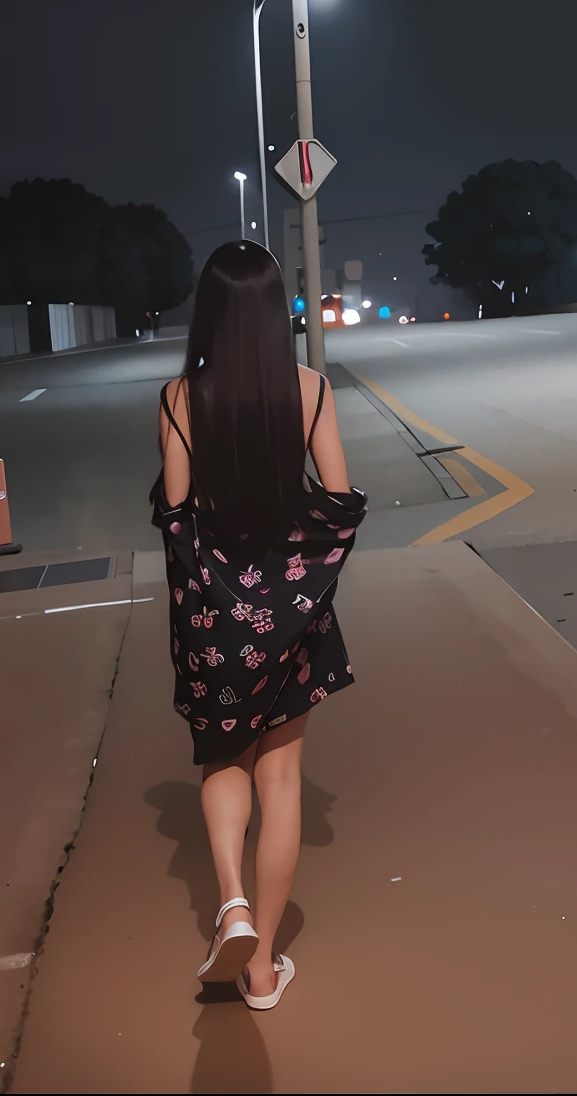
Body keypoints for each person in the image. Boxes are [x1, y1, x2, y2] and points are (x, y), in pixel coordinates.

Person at [152, 240, 366, 1010]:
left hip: (214, 617)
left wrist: (212, 595)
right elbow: (339, 502)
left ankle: (232, 901)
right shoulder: (310, 389)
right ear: (278, 311)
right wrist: (291, 581)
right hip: (292, 617)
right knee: (282, 778)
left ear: (209, 311)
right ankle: (264, 969)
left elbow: (175, 516)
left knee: (223, 765)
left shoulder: (180, 399)